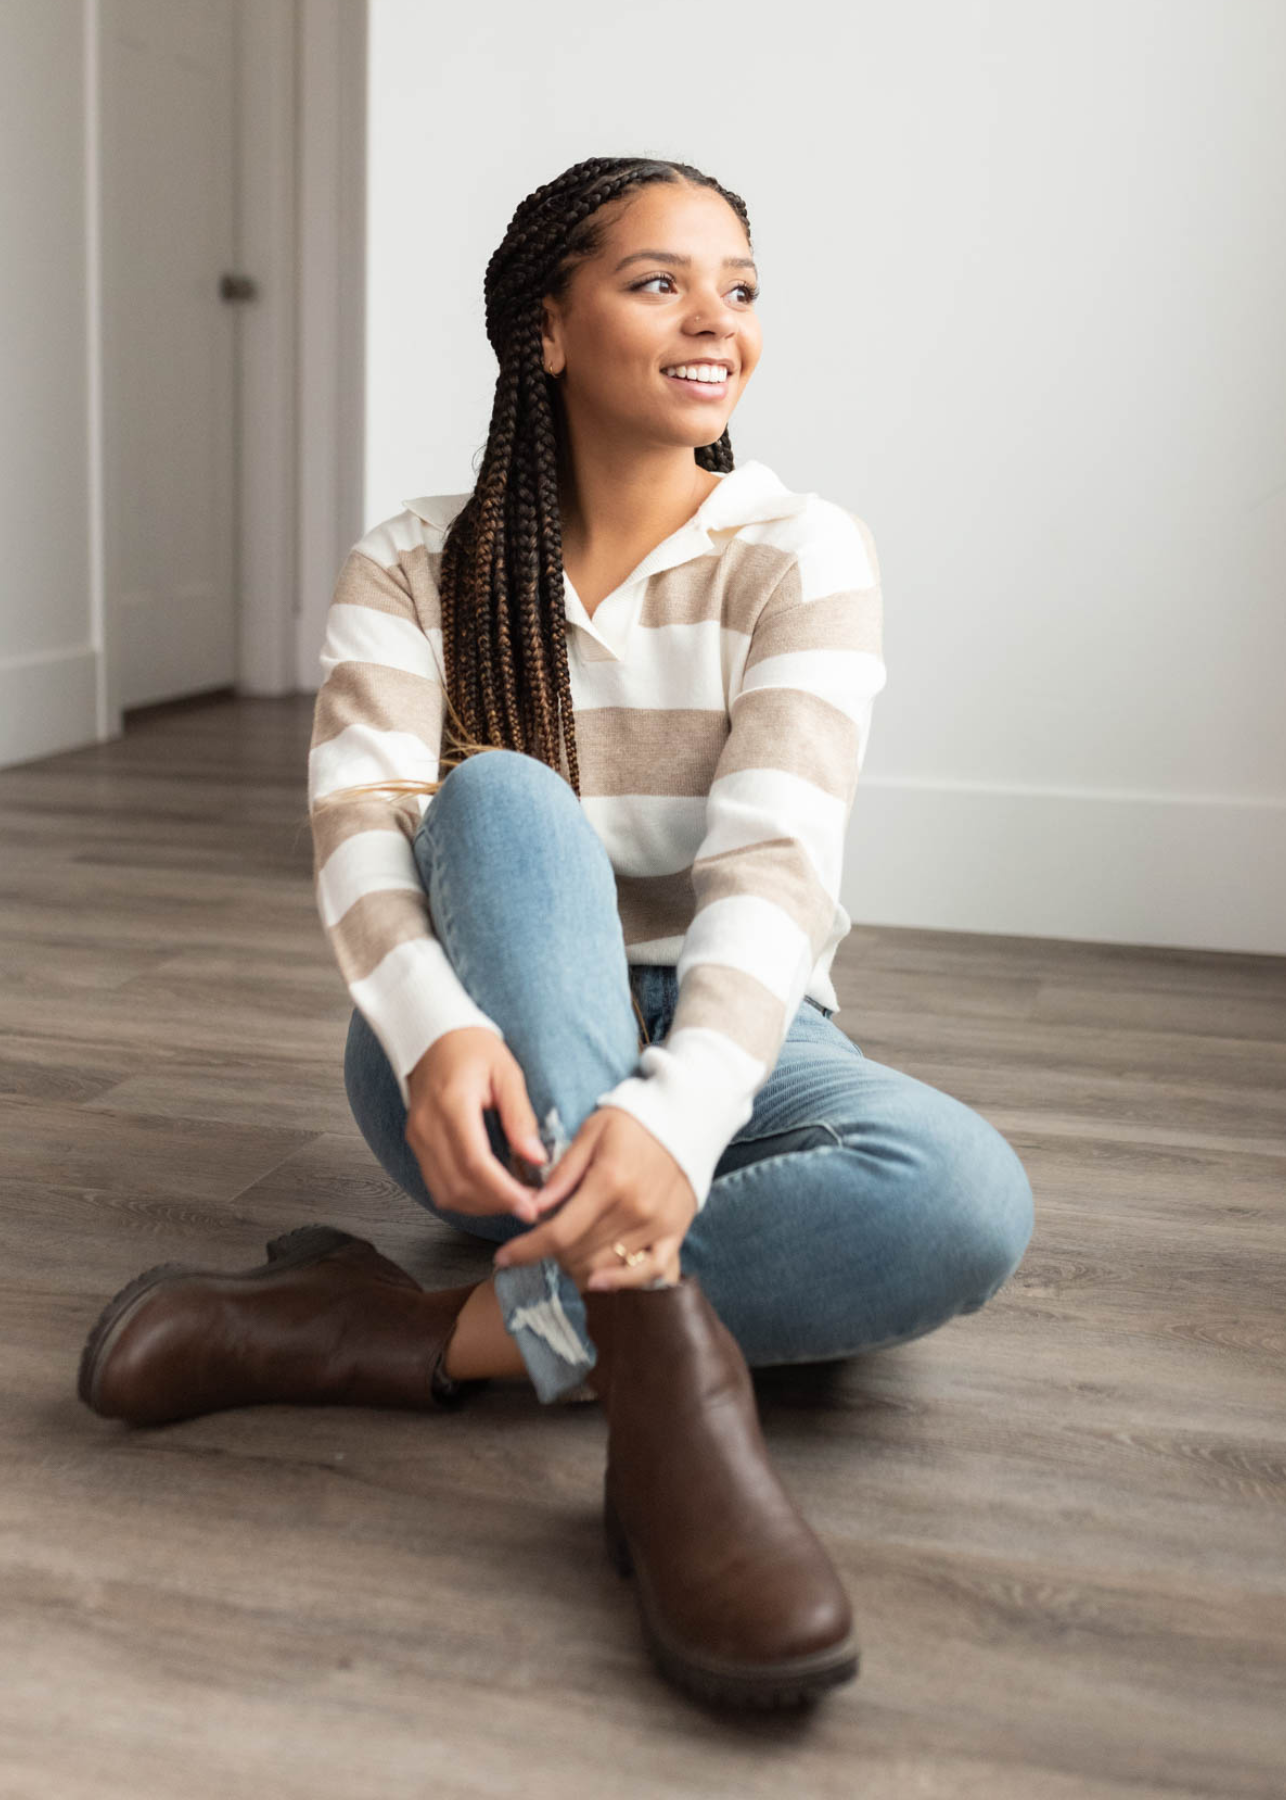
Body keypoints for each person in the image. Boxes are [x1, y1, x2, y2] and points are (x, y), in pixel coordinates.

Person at [77, 155, 1035, 1710]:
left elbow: (775, 873)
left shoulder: (799, 551)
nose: (713, 318)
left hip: (743, 1036)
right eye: (658, 281)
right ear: (546, 326)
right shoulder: (417, 555)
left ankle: (382, 1336)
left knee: (959, 1201)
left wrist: (677, 1112)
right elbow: (357, 820)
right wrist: (433, 1025)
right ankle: (671, 1402)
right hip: (471, 1067)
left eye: (738, 286)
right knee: (501, 799)